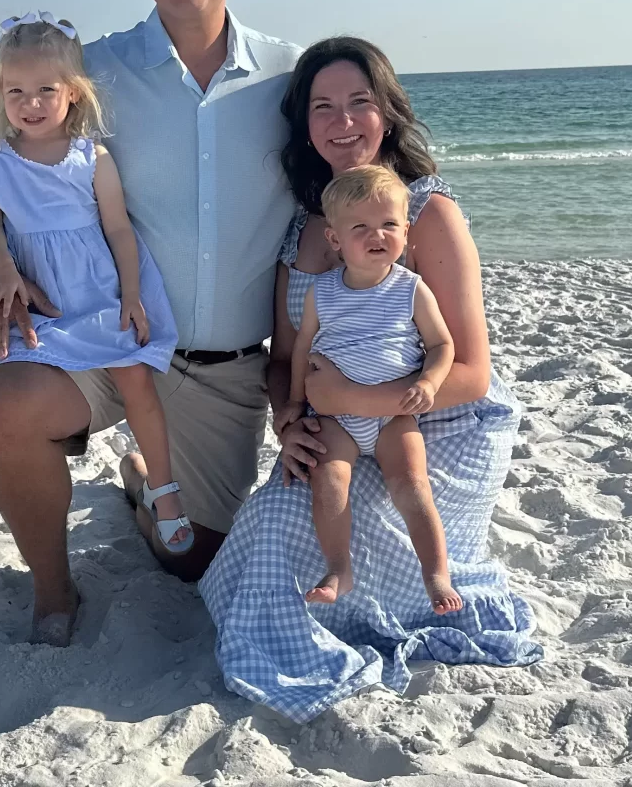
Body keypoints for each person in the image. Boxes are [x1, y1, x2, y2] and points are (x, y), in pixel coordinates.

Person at [0, 0, 302, 637]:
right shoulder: (89, 71)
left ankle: (143, 479)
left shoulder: (291, 75)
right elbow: (15, 185)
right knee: (6, 401)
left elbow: (339, 195)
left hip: (224, 366)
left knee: (194, 562)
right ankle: (55, 592)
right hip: (106, 338)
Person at [200, 37, 542, 722]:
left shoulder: (426, 214)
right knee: (273, 522)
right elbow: (283, 359)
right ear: (304, 125)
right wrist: (289, 419)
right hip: (334, 427)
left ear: (387, 113)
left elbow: (472, 372)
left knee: (367, 523)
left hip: (436, 423)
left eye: (359, 102)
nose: (343, 121)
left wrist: (355, 399)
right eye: (322, 107)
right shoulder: (305, 229)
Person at [0, 14, 188, 639]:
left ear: (73, 92)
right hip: (38, 295)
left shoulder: (90, 156)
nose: (30, 104)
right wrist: (1, 270)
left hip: (96, 292)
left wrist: (132, 294)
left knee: (135, 378)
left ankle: (164, 490)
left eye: (45, 90)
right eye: (15, 92)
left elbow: (119, 230)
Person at [274, 165, 460, 613]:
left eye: (389, 224)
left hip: (394, 417)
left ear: (406, 232)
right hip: (335, 420)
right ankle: (339, 568)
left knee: (412, 485)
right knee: (328, 481)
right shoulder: (322, 292)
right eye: (360, 227)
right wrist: (295, 402)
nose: (377, 235)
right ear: (335, 239)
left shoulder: (411, 289)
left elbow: (442, 344)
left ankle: (436, 574)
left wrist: (430, 380)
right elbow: (301, 349)